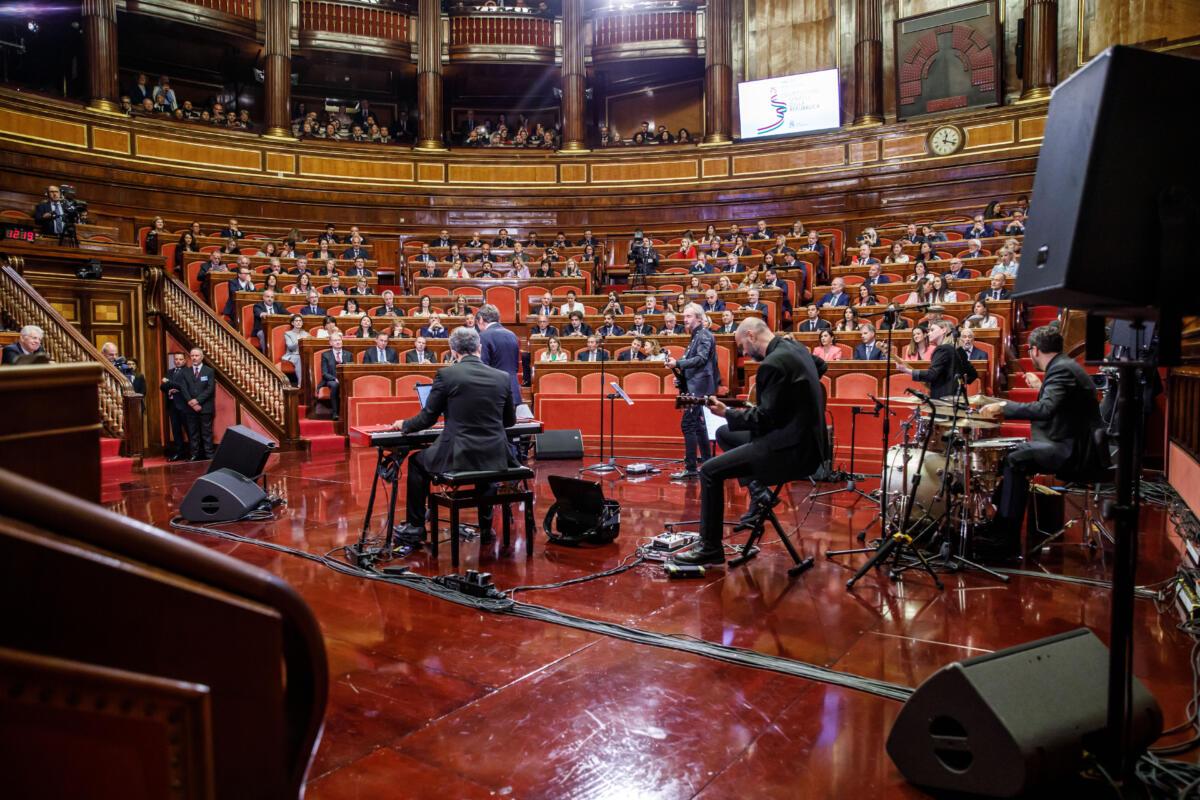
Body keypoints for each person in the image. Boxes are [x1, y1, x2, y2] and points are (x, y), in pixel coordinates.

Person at [674, 318, 827, 565]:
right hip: (808, 442)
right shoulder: (795, 348)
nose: (743, 353)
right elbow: (821, 366)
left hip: (791, 450)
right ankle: (759, 492)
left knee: (710, 471)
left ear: (751, 335)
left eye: (742, 346)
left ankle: (710, 548)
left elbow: (764, 418)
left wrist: (727, 412)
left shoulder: (772, 364)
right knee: (725, 434)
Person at [975, 326, 1106, 560]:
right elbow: (1060, 403)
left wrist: (1004, 407)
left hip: (1075, 450)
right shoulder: (1064, 366)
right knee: (1016, 453)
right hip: (1075, 441)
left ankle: (1005, 541)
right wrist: (1041, 387)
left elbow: (1046, 409)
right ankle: (999, 525)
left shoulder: (1061, 370)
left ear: (1034, 350)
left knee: (1016, 458)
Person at [391, 326, 518, 547]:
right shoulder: (502, 377)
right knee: (484, 469)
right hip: (495, 454)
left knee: (416, 462)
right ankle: (486, 529)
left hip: (459, 454)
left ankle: (415, 527)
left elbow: (427, 419)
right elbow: (509, 422)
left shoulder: (446, 374)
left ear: (453, 351)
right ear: (479, 348)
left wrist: (404, 425)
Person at [664, 303, 718, 480]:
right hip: (695, 385)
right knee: (699, 426)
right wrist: (680, 376)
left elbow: (701, 360)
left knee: (688, 424)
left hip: (699, 387)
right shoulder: (696, 337)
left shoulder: (704, 336)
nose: (684, 319)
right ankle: (708, 462)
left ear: (699, 318)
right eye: (684, 316)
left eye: (688, 316)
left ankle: (691, 468)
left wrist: (678, 364)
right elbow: (691, 362)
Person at [893, 320, 977, 399]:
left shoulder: (941, 349)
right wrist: (957, 384)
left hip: (942, 399)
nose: (929, 333)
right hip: (956, 398)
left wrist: (906, 370)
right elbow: (973, 375)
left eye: (932, 330)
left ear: (943, 330)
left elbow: (932, 374)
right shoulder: (958, 349)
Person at [477, 304, 531, 419]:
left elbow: (482, 368)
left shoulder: (483, 336)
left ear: (481, 319)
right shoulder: (512, 335)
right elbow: (516, 366)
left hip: (494, 395)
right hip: (513, 391)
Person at [174, 347, 216, 460]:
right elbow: (183, 388)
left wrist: (197, 400)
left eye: (197, 355)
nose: (194, 358)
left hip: (205, 407)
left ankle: (209, 455)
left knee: (206, 433)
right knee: (193, 433)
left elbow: (210, 389)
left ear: (201, 357)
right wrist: (191, 402)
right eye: (192, 355)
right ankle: (194, 454)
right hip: (190, 408)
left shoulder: (209, 371)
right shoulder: (185, 371)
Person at [159, 351, 189, 459]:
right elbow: (162, 386)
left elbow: (183, 386)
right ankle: (179, 452)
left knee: (189, 429)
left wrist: (169, 382)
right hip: (172, 405)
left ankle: (191, 452)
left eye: (180, 359)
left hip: (184, 405)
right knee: (176, 430)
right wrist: (169, 390)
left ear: (185, 360)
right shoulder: (170, 371)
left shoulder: (188, 372)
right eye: (176, 359)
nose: (178, 361)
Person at [319, 333, 349, 420]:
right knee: (335, 385)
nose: (338, 342)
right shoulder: (325, 355)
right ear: (330, 343)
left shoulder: (348, 354)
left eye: (339, 340)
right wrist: (335, 379)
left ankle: (347, 412)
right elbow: (324, 373)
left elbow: (351, 369)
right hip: (330, 380)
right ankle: (335, 413)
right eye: (335, 340)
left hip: (345, 379)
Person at [282, 314, 309, 385]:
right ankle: (301, 384)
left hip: (304, 354)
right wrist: (299, 341)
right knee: (299, 358)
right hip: (292, 354)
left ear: (302, 323)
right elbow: (290, 347)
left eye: (300, 321)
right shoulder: (288, 334)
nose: (298, 322)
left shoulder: (306, 334)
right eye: (296, 321)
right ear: (292, 323)